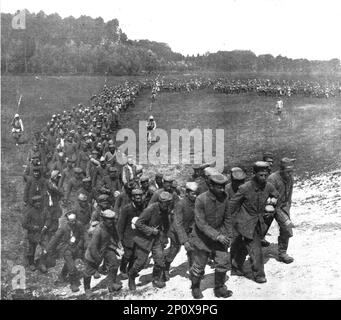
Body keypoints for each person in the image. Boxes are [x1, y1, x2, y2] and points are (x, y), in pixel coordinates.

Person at [229, 161, 279, 284]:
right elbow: (232, 206)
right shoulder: (244, 188)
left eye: (265, 175)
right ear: (254, 173)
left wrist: (271, 205)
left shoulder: (268, 186)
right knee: (256, 249)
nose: (263, 177)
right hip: (245, 223)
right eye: (260, 175)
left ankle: (235, 267)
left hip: (259, 223)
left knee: (244, 246)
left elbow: (276, 196)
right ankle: (259, 275)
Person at [189, 174, 233, 299]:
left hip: (220, 236)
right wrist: (217, 236)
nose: (223, 190)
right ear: (211, 186)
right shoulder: (201, 199)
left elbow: (228, 218)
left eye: (224, 187)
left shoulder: (225, 198)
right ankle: (195, 287)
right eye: (219, 187)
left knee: (223, 261)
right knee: (199, 265)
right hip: (201, 238)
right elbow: (201, 223)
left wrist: (229, 235)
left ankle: (219, 288)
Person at [128, 192, 173, 290]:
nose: (168, 206)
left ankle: (156, 279)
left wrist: (164, 237)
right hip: (144, 239)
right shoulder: (150, 209)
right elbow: (138, 223)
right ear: (161, 202)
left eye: (169, 203)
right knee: (141, 263)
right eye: (166, 204)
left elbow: (166, 224)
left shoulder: (165, 209)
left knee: (160, 260)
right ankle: (131, 277)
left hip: (156, 239)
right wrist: (151, 230)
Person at [83, 209, 122, 298]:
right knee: (89, 272)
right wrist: (98, 260)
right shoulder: (98, 230)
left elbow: (115, 234)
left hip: (106, 247)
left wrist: (118, 243)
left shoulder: (111, 226)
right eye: (109, 219)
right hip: (94, 253)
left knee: (114, 264)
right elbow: (93, 247)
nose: (111, 221)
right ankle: (87, 289)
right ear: (103, 219)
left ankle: (111, 285)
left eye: (112, 219)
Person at [164, 182, 199, 281]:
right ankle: (165, 268)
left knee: (192, 251)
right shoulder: (180, 204)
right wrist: (184, 241)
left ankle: (193, 273)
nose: (195, 196)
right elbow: (177, 224)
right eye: (193, 194)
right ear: (187, 193)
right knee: (174, 251)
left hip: (189, 230)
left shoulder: (196, 203)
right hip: (176, 232)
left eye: (196, 193)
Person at [46, 211, 85, 292]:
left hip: (76, 247)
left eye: (75, 220)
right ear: (68, 220)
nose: (74, 222)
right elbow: (55, 238)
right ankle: (73, 284)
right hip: (66, 248)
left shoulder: (79, 225)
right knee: (72, 267)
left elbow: (82, 235)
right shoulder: (63, 228)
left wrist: (80, 245)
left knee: (69, 263)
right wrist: (48, 248)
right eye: (71, 221)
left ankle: (62, 276)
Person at [267, 158, 296, 264]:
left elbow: (289, 198)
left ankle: (282, 253)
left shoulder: (290, 178)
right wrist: (284, 218)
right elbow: (270, 203)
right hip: (268, 208)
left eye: (291, 171)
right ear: (281, 169)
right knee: (259, 232)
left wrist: (286, 214)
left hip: (282, 207)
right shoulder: (272, 179)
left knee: (287, 229)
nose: (290, 174)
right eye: (288, 171)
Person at [117, 189, 144, 281]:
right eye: (137, 197)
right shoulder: (126, 209)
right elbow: (120, 224)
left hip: (138, 235)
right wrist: (120, 238)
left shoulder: (142, 207)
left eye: (140, 197)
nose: (139, 199)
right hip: (128, 236)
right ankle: (123, 270)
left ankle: (130, 270)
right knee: (128, 254)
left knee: (135, 255)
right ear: (132, 198)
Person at [22, 195, 48, 271]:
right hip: (33, 234)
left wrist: (46, 226)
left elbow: (48, 219)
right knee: (31, 250)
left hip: (43, 233)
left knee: (45, 249)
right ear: (33, 204)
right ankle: (31, 263)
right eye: (36, 202)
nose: (38, 204)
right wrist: (33, 227)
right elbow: (24, 224)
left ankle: (42, 264)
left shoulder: (44, 210)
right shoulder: (29, 212)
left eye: (39, 202)